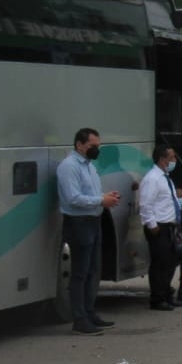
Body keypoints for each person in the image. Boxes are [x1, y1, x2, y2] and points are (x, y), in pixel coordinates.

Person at [56, 127, 122, 335]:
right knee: (80, 273)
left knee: (94, 270)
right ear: (79, 145)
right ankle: (79, 319)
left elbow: (90, 194)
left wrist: (105, 196)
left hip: (94, 221)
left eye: (98, 145)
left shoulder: (89, 166)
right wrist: (101, 200)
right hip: (78, 223)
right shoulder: (69, 167)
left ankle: (90, 312)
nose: (96, 149)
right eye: (93, 146)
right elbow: (72, 198)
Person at [138, 145, 182, 312]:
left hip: (169, 226)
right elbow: (145, 204)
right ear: (162, 159)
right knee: (160, 264)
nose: (174, 161)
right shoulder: (153, 179)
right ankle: (157, 299)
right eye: (172, 158)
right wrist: (152, 225)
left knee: (170, 263)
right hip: (159, 228)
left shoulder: (165, 177)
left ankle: (166, 295)